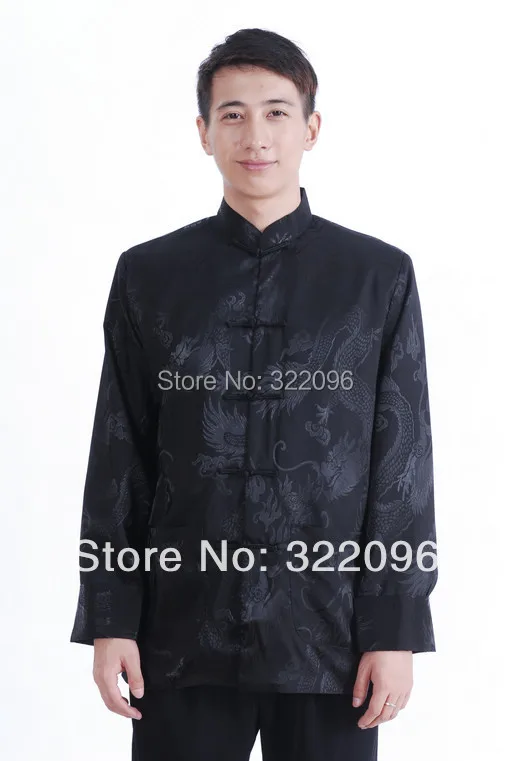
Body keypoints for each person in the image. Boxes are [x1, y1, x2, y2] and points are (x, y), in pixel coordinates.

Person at [70, 27, 438, 761]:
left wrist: (394, 630)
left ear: (311, 127)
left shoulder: (377, 276)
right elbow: (120, 453)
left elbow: (402, 462)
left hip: (331, 639)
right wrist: (111, 616)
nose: (255, 136)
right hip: (181, 631)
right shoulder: (149, 275)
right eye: (232, 114)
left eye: (276, 112)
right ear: (203, 132)